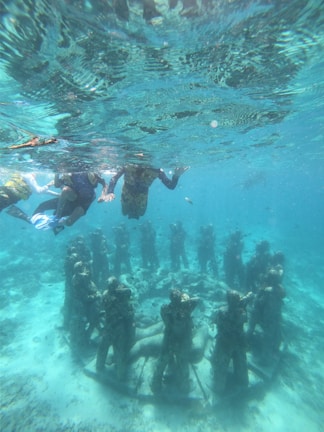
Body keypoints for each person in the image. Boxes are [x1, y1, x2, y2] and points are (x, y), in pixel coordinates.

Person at [25, 171, 109, 233]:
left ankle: (59, 222)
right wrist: (56, 173)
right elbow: (57, 185)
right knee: (43, 205)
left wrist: (103, 195)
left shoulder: (89, 173)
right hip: (71, 198)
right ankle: (56, 217)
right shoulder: (67, 173)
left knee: (69, 223)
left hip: (84, 202)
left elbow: (104, 183)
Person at [151, 289, 199, 395]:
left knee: (172, 362)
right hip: (174, 338)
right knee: (173, 362)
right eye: (175, 296)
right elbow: (166, 322)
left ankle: (156, 385)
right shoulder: (183, 307)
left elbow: (197, 300)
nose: (176, 298)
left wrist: (187, 299)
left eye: (178, 296)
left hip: (176, 338)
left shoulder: (180, 306)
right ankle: (183, 387)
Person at [105, 164, 188, 219]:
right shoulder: (128, 165)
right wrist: (110, 191)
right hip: (128, 191)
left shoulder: (157, 170)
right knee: (125, 212)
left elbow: (171, 186)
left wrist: (176, 176)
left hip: (141, 194)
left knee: (140, 213)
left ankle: (134, 214)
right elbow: (114, 178)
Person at [211, 290, 253, 395]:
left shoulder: (221, 311)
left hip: (224, 342)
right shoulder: (242, 312)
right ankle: (243, 382)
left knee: (221, 364)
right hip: (238, 341)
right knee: (241, 363)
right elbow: (243, 320)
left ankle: (218, 388)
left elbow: (217, 323)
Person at [96, 277, 135, 380]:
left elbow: (103, 306)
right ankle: (120, 375)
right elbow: (126, 313)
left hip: (108, 326)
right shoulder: (120, 298)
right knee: (119, 351)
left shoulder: (105, 294)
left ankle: (99, 366)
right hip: (119, 328)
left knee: (103, 347)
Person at [247, 265, 285, 364]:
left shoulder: (268, 291)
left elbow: (259, 303)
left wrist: (255, 297)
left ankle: (264, 358)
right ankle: (274, 349)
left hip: (265, 316)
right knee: (275, 332)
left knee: (257, 330)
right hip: (275, 316)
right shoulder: (279, 289)